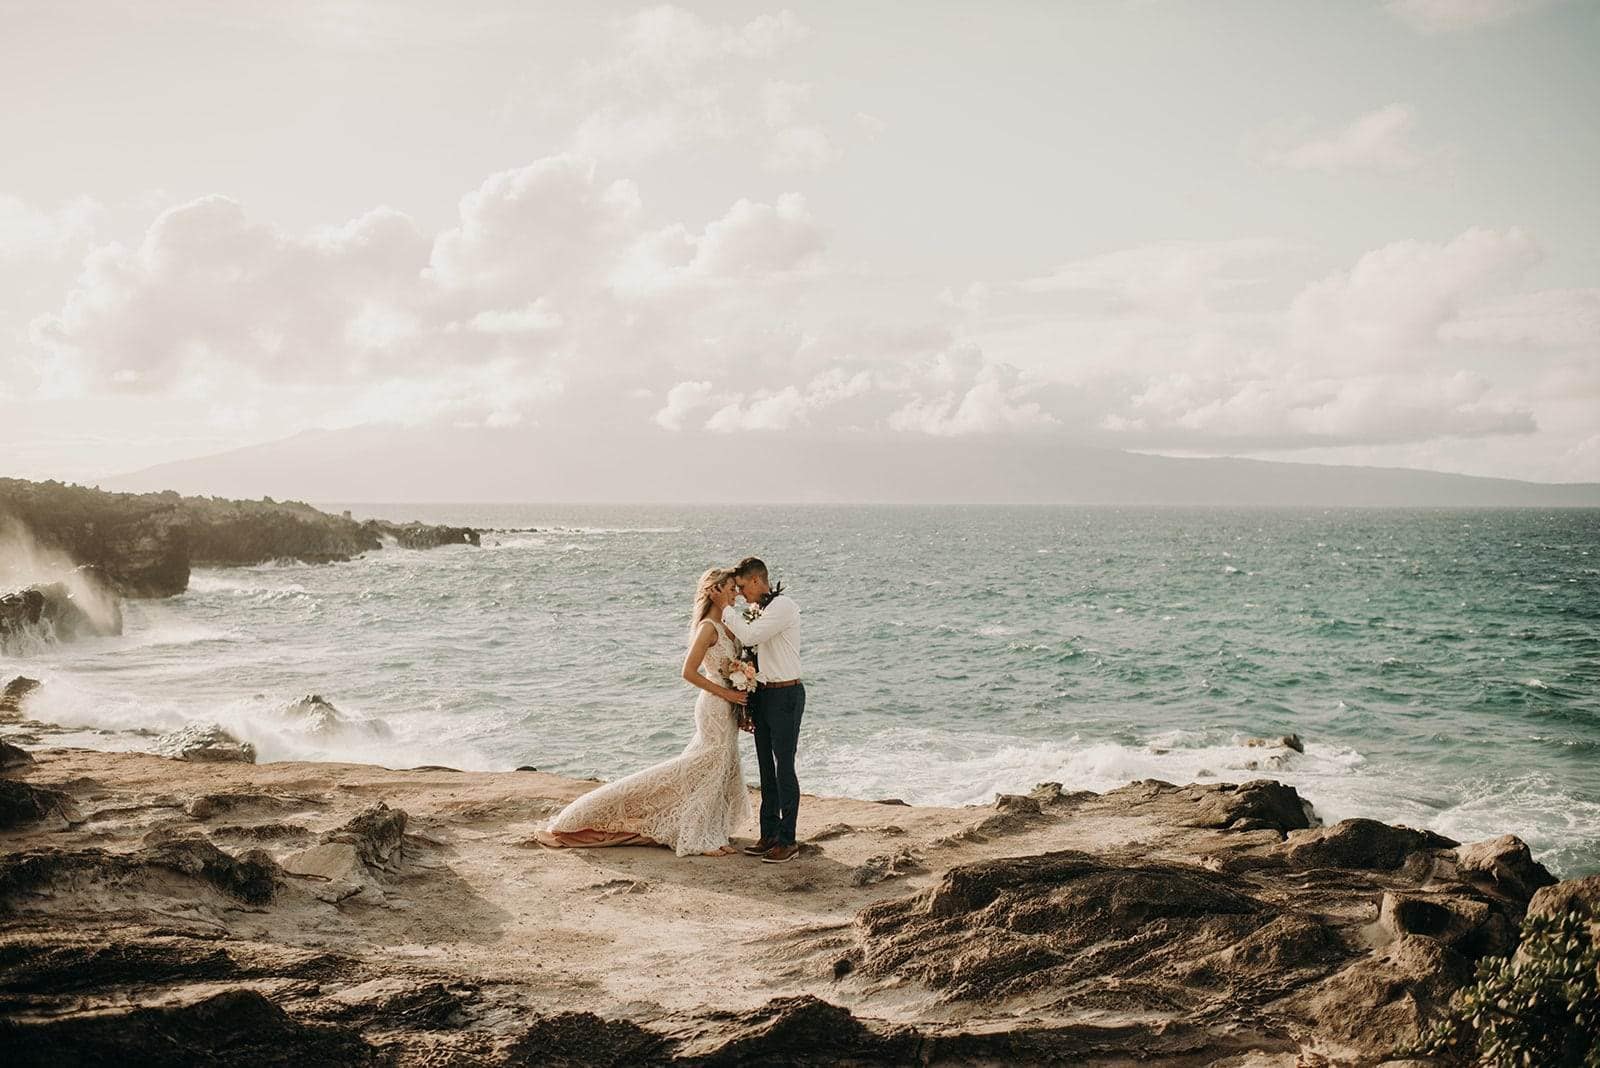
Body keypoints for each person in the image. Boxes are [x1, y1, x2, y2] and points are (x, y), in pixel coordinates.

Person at [533, 568, 753, 857]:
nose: (736, 594)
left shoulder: (727, 626)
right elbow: (688, 672)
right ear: (716, 590)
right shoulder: (708, 628)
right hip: (713, 704)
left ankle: (713, 831)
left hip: (727, 706)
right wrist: (727, 693)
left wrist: (740, 699)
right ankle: (696, 835)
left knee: (721, 768)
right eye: (732, 589)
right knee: (705, 766)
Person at [721, 556, 804, 864]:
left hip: (786, 695)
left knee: (784, 768)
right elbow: (752, 653)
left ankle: (788, 840)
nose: (741, 594)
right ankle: (769, 834)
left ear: (757, 581)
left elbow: (751, 636)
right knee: (765, 769)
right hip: (765, 694)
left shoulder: (783, 606)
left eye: (742, 587)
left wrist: (725, 608)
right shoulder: (761, 610)